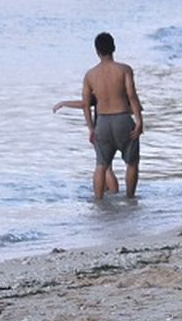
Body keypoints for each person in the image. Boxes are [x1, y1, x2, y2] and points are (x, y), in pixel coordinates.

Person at [81, 32, 143, 200]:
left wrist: (91, 128)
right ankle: (130, 199)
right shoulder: (124, 69)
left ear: (97, 51)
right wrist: (139, 121)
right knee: (131, 163)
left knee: (101, 165)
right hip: (122, 118)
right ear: (114, 48)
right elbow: (132, 96)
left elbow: (86, 104)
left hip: (102, 121)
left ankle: (99, 202)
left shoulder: (90, 75)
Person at [53, 96, 119, 194]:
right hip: (118, 126)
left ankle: (114, 194)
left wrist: (64, 103)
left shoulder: (99, 87)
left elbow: (84, 104)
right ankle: (107, 190)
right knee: (107, 164)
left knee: (105, 166)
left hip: (102, 127)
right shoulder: (120, 87)